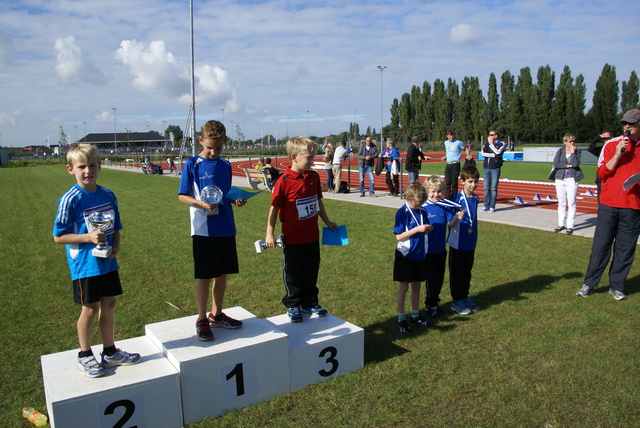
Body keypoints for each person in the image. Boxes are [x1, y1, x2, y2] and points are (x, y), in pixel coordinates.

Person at [53, 144, 140, 378]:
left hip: (107, 261)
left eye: (92, 165)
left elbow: (116, 226)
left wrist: (117, 246)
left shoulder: (108, 194)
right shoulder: (69, 199)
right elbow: (58, 236)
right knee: (90, 309)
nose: (88, 171)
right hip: (84, 264)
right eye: (82, 167)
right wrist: (87, 237)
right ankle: (84, 354)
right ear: (70, 169)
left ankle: (110, 352)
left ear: (100, 166)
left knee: (109, 304)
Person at [178, 120, 247, 341]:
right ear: (201, 141)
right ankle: (201, 318)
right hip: (203, 229)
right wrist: (201, 204)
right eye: (209, 147)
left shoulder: (225, 165)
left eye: (218, 148)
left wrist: (236, 199)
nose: (213, 152)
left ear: (224, 142)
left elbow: (225, 193)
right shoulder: (192, 164)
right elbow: (182, 195)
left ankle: (216, 314)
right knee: (205, 276)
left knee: (222, 274)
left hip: (225, 227)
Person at [265, 137, 338, 322]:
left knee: (311, 271)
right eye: (309, 158)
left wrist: (327, 222)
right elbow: (274, 209)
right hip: (293, 238)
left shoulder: (313, 176)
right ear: (294, 157)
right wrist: (269, 233)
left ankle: (309, 303)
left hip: (312, 236)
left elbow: (317, 202)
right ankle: (292, 304)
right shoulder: (284, 181)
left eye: (313, 157)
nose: (312, 161)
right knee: (293, 273)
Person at [577, 109, 640, 301]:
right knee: (601, 245)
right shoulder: (612, 144)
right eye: (624, 124)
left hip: (633, 206)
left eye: (631, 124)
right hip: (609, 204)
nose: (627, 127)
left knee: (625, 248)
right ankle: (589, 283)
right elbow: (602, 174)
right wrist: (618, 155)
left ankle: (617, 286)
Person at [393, 182, 434, 333]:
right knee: (403, 287)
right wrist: (417, 229)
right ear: (408, 198)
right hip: (405, 254)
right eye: (415, 204)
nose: (418, 206)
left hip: (419, 253)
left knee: (417, 285)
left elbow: (421, 231)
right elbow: (399, 237)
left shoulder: (422, 211)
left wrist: (426, 230)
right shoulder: (402, 213)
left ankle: (415, 314)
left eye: (420, 204)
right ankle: (401, 318)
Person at [422, 175, 464, 318]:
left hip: (441, 249)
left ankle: (434, 303)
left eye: (439, 192)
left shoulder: (444, 206)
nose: (436, 195)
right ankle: (430, 304)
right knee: (431, 279)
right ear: (427, 191)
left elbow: (450, 225)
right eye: (433, 191)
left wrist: (456, 219)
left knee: (439, 278)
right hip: (428, 251)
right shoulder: (423, 208)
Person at [447, 165, 480, 315]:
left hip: (470, 241)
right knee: (457, 271)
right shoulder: (457, 200)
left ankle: (464, 296)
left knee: (467, 271)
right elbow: (450, 223)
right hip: (457, 243)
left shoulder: (476, 198)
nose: (474, 185)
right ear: (463, 182)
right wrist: (456, 218)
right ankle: (456, 301)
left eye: (476, 182)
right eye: (470, 182)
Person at [550, 133, 583, 235]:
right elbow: (556, 164)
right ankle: (561, 224)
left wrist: (573, 153)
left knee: (572, 202)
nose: (572, 143)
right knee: (561, 202)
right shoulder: (560, 151)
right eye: (570, 141)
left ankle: (570, 226)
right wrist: (568, 165)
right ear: (565, 142)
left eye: (573, 141)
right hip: (560, 178)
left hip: (572, 179)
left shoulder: (577, 152)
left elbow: (576, 164)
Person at [441, 129, 471, 200]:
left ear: (454, 135)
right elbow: (448, 152)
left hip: (455, 164)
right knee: (447, 182)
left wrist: (468, 155)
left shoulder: (458, 142)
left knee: (454, 182)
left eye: (452, 135)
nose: (451, 137)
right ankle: (447, 197)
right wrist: (445, 156)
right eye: (449, 135)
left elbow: (466, 148)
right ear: (447, 136)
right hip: (448, 164)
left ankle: (454, 197)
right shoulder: (446, 143)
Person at [481, 130, 505, 212]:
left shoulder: (501, 144)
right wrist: (493, 155)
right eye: (489, 135)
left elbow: (498, 152)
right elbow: (483, 153)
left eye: (491, 135)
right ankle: (486, 205)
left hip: (495, 168)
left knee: (494, 188)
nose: (490, 136)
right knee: (486, 188)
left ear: (496, 136)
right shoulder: (486, 143)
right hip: (486, 168)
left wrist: (491, 144)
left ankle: (492, 206)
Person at [587, 130, 613, 199]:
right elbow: (590, 148)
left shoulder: (616, 149)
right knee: (601, 198)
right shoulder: (600, 149)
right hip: (601, 177)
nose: (605, 140)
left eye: (607, 138)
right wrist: (599, 137)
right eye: (603, 139)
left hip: (612, 176)